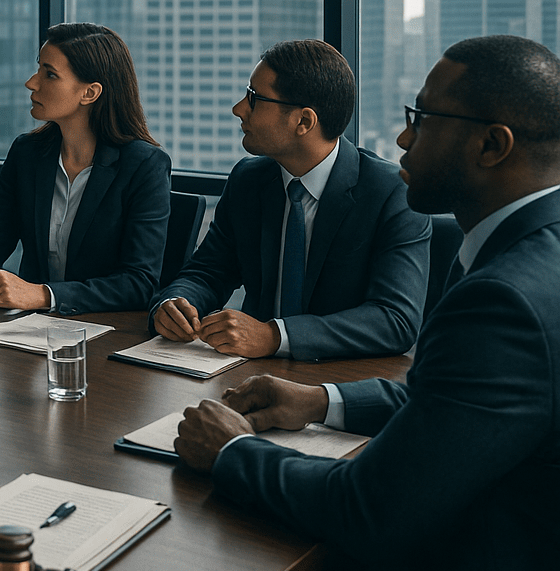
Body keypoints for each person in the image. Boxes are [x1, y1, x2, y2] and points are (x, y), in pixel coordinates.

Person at [175, 34, 560, 571]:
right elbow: (460, 404)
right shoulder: (526, 251)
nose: (404, 138)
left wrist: (232, 453)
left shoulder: (505, 295)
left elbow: (367, 509)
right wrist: (323, 401)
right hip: (483, 534)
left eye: (424, 119)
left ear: (493, 144)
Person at [150, 40, 430, 360]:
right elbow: (207, 272)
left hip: (339, 383)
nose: (238, 108)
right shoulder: (248, 179)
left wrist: (274, 336)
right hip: (246, 372)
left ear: (304, 122)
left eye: (254, 98)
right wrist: (175, 304)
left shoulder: (390, 194)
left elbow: (395, 320)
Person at [0, 23, 170, 315]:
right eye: (39, 69)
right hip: (27, 332)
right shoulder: (27, 153)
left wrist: (43, 295)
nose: (32, 83)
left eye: (50, 74)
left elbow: (138, 283)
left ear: (90, 93)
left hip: (102, 333)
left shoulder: (144, 166)